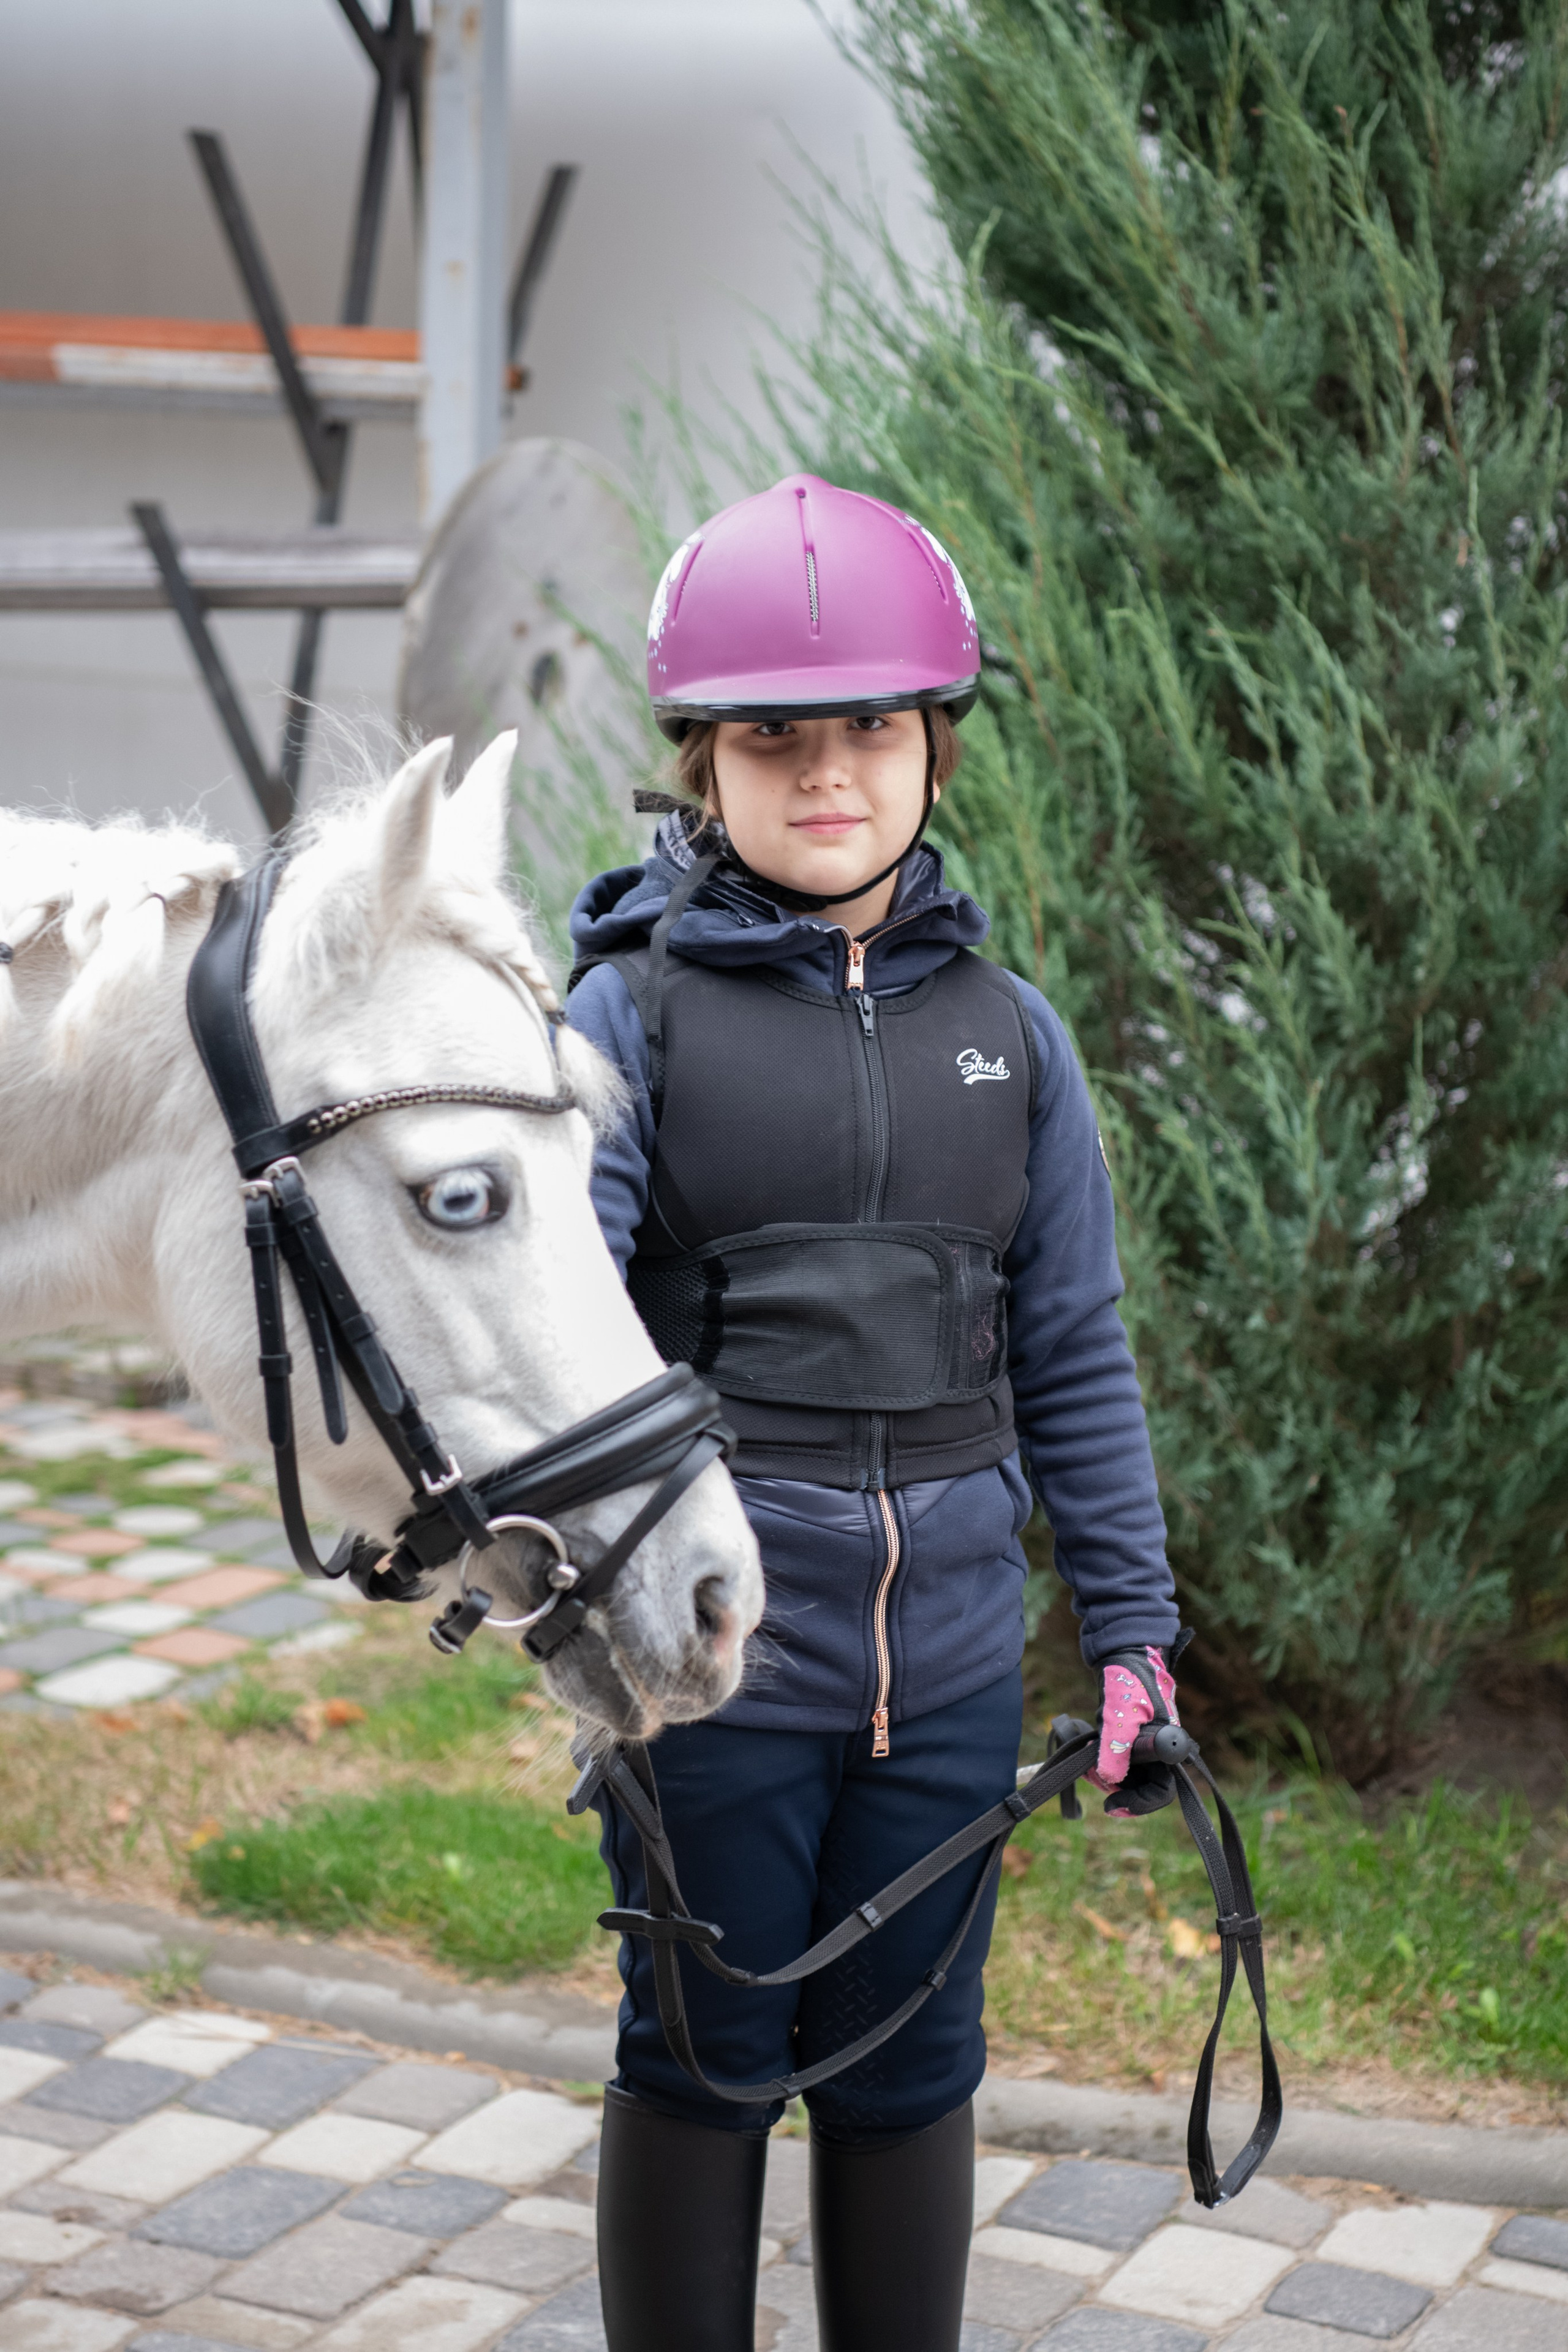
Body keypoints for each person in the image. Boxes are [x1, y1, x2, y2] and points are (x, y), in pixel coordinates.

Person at [565, 473, 1183, 2352]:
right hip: (718, 1650)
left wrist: (1139, 1629)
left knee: (911, 2066)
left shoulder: (1016, 1033)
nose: (827, 771)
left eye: (872, 729)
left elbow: (1072, 1343)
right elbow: (558, 1344)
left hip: (957, 1644)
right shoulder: (621, 1021)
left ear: (932, 743)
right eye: (773, 734)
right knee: (705, 2052)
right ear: (701, 760)